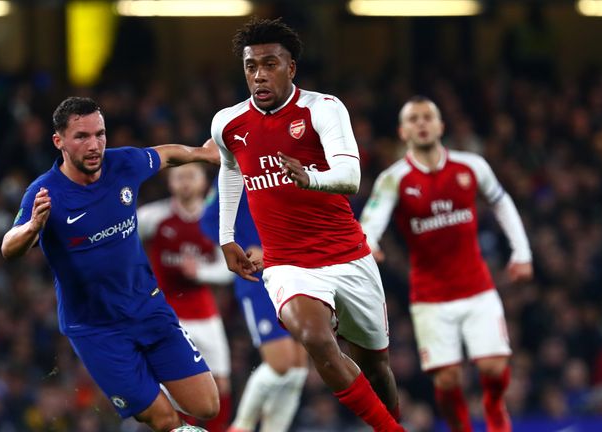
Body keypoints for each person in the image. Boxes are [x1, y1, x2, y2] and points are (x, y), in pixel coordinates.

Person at [212, 17, 404, 432]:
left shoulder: (323, 109)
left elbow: (350, 177)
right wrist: (226, 236)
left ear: (291, 68)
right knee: (316, 339)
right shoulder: (228, 123)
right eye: (251, 66)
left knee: (377, 367)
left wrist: (311, 178)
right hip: (288, 264)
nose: (259, 75)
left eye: (270, 64)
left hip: (348, 256)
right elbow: (230, 170)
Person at [0, 96, 221, 432]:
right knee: (164, 420)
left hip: (148, 308)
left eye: (100, 134)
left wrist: (202, 154)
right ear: (58, 141)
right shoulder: (44, 193)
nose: (95, 145)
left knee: (207, 406)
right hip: (97, 329)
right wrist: (32, 227)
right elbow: (8, 247)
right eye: (82, 137)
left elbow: (165, 155)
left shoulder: (123, 164)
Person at [359, 96, 534, 432]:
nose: (422, 123)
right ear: (403, 131)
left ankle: (495, 408)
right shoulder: (394, 178)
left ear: (441, 126)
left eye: (428, 117)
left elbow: (502, 203)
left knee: (495, 368)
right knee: (448, 378)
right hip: (430, 297)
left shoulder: (471, 166)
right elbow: (372, 219)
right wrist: (372, 242)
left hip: (477, 287)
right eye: (414, 119)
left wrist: (521, 252)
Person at [199, 177, 309, 432]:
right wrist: (240, 247)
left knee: (299, 368)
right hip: (257, 279)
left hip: (293, 272)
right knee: (281, 364)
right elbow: (207, 220)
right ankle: (241, 426)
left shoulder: (280, 166)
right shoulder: (232, 175)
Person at [137, 164, 233, 432]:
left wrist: (200, 271)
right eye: (179, 177)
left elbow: (229, 268)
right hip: (169, 314)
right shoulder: (151, 217)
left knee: (221, 383)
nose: (185, 182)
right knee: (178, 386)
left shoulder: (215, 220)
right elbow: (125, 245)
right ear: (170, 183)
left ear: (204, 183)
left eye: (191, 176)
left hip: (205, 312)